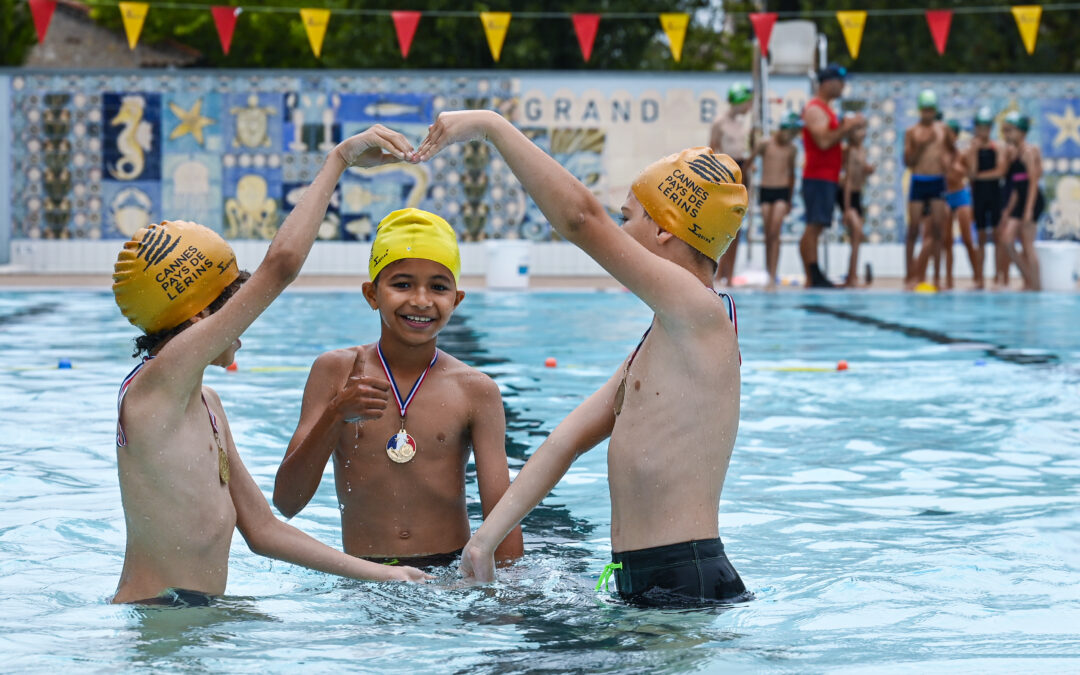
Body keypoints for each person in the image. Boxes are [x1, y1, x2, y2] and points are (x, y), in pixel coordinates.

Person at [413, 110, 753, 607]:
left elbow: (580, 219)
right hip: (652, 580)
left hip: (686, 580)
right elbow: (564, 442)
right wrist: (484, 541)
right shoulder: (665, 339)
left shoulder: (700, 313)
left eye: (628, 217)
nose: (617, 229)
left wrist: (493, 127)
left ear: (664, 230)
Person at [109, 126, 430, 606]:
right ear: (200, 319)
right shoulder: (154, 389)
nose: (243, 324)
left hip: (198, 613)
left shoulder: (204, 402)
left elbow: (262, 530)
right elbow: (280, 266)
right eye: (233, 304)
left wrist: (386, 576)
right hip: (160, 617)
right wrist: (338, 159)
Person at [273, 208, 523, 568]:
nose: (421, 300)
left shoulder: (475, 390)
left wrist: (508, 599)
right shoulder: (333, 372)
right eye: (402, 284)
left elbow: (502, 512)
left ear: (456, 299)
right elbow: (287, 502)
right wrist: (336, 414)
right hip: (361, 574)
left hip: (447, 575)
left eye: (438, 287)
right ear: (372, 294)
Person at [799, 64, 864, 288]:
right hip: (817, 176)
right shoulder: (814, 109)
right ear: (827, 82)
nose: (844, 86)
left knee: (818, 226)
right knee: (814, 226)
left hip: (829, 176)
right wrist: (849, 127)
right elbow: (824, 141)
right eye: (840, 81)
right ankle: (812, 276)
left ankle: (815, 275)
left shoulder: (827, 109)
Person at [903, 89, 950, 290]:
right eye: (925, 110)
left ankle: (937, 277)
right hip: (919, 180)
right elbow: (907, 161)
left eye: (931, 110)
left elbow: (953, 152)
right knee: (913, 229)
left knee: (939, 230)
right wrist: (920, 146)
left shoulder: (943, 130)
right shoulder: (912, 132)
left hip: (937, 180)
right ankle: (909, 274)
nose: (928, 114)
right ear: (920, 110)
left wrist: (949, 164)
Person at [710, 82, 755, 286]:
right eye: (747, 103)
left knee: (737, 225)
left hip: (742, 170)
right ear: (739, 101)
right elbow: (712, 150)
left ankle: (730, 274)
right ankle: (719, 274)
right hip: (726, 171)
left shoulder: (741, 125)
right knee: (722, 225)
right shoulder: (720, 123)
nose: (749, 107)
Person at [754, 111, 800, 290]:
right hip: (766, 190)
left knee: (775, 231)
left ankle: (773, 275)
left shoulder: (792, 149)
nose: (791, 137)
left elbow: (792, 175)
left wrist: (789, 200)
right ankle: (768, 274)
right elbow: (750, 162)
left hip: (781, 192)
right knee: (768, 235)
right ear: (782, 129)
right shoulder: (765, 144)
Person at [999, 112, 1045, 291]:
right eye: (1005, 131)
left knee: (1027, 244)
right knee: (1007, 241)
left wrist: (1028, 210)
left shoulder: (1028, 151)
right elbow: (1017, 186)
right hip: (1020, 200)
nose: (1006, 135)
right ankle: (1029, 279)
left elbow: (1033, 183)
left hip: (1032, 200)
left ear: (1021, 132)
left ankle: (1036, 285)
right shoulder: (1014, 153)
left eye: (1010, 131)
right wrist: (1008, 211)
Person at [966, 107, 1009, 288]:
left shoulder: (997, 147)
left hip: (995, 194)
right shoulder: (971, 148)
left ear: (991, 128)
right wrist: (975, 152)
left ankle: (998, 277)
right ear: (976, 128)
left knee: (998, 236)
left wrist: (979, 176)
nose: (983, 131)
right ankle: (980, 278)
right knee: (981, 237)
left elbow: (1000, 172)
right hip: (979, 196)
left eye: (986, 127)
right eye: (980, 127)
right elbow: (972, 173)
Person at [939, 119, 980, 290]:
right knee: (947, 241)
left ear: (955, 135)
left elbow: (971, 174)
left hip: (961, 195)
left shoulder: (962, 154)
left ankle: (978, 277)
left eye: (951, 133)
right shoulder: (940, 155)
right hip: (946, 196)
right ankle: (948, 280)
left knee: (968, 239)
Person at [836, 116, 873, 288]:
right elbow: (848, 179)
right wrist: (847, 208)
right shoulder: (848, 150)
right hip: (847, 195)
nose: (862, 133)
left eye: (863, 129)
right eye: (858, 129)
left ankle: (852, 276)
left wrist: (867, 171)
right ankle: (851, 277)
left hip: (858, 195)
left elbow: (860, 176)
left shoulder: (862, 150)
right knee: (857, 232)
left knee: (856, 237)